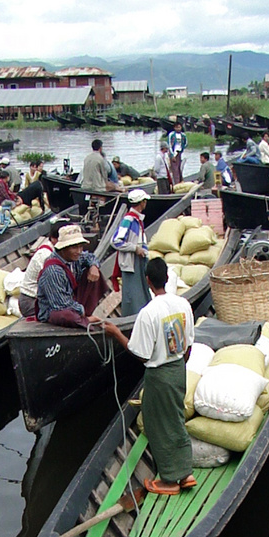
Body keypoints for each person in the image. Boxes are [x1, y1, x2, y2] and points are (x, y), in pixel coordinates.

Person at [98, 256, 196, 496]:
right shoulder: (184, 304)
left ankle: (171, 480)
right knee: (175, 418)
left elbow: (140, 354)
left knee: (157, 423)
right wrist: (178, 364)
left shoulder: (148, 312)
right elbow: (189, 345)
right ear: (168, 278)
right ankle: (186, 473)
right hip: (178, 369)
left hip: (160, 375)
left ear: (148, 281)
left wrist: (115, 333)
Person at [35, 224, 104, 327]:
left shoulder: (74, 258)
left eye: (80, 247)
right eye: (74, 248)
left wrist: (94, 266)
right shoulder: (54, 270)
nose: (79, 251)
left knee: (93, 272)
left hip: (71, 301)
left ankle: (83, 317)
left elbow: (90, 256)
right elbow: (61, 304)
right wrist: (81, 310)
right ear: (63, 248)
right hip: (54, 310)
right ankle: (86, 319)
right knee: (66, 315)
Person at [110, 188, 149, 316]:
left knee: (140, 293)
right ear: (142, 203)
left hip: (137, 261)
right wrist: (135, 248)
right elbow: (115, 241)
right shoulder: (129, 220)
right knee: (133, 297)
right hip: (130, 263)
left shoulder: (137, 220)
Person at [166, 123, 186, 187]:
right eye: (177, 127)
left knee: (179, 168)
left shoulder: (183, 135)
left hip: (179, 152)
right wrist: (172, 155)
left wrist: (182, 149)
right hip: (173, 153)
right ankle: (176, 184)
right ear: (174, 128)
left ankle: (180, 181)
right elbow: (169, 145)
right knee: (174, 169)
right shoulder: (171, 134)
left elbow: (186, 143)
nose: (178, 129)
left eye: (179, 127)